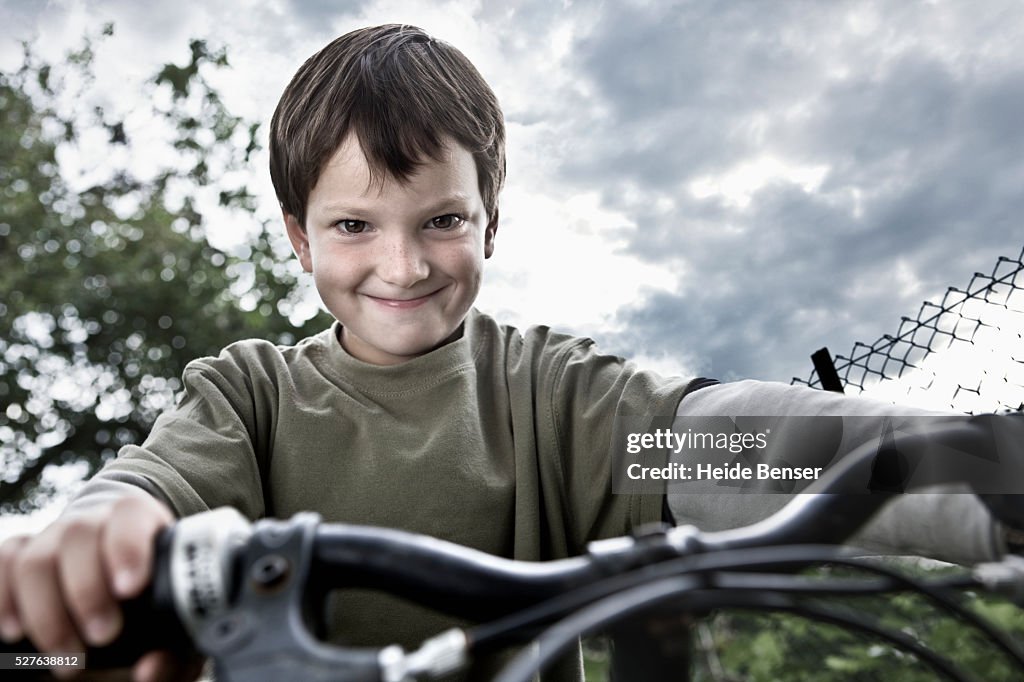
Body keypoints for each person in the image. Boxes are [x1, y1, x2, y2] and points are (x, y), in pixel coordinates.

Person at [0, 23, 1017, 682]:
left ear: (490, 219)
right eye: (354, 227)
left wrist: (977, 470)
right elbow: (154, 485)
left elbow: (732, 447)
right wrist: (94, 533)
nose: (401, 266)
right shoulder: (250, 395)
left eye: (440, 219)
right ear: (298, 236)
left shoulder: (551, 402)